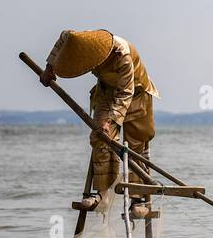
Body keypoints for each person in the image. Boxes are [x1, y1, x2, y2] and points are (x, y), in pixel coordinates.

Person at [39, 30, 160, 215]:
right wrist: (49, 68)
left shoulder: (123, 55)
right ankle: (101, 195)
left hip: (136, 93)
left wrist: (110, 119)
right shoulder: (76, 38)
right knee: (101, 138)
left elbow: (125, 93)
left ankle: (138, 199)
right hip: (106, 91)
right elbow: (63, 39)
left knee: (136, 144)